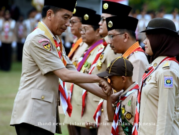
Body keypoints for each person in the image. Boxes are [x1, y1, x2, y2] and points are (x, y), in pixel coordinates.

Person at [10, 0, 110, 135]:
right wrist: (98, 78)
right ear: (50, 14)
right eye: (65, 17)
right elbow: (65, 75)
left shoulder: (54, 39)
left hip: (40, 114)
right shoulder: (39, 39)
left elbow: (73, 74)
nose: (68, 24)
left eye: (70, 18)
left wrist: (108, 96)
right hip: (32, 114)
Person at [89, 1, 132, 135]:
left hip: (117, 120)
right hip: (107, 113)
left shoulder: (115, 48)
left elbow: (129, 93)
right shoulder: (107, 47)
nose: (99, 23)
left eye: (103, 19)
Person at [139, 18, 179, 135]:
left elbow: (165, 117)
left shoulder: (167, 71)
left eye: (148, 37)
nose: (144, 41)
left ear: (160, 39)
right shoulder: (158, 66)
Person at [98, 57, 140, 135]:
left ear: (123, 79)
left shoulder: (135, 96)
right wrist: (108, 95)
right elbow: (111, 118)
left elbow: (138, 125)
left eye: (111, 80)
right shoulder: (123, 94)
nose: (110, 84)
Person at [105, 16, 149, 86]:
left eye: (111, 36)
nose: (109, 42)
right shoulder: (129, 57)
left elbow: (134, 94)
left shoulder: (137, 60)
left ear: (125, 37)